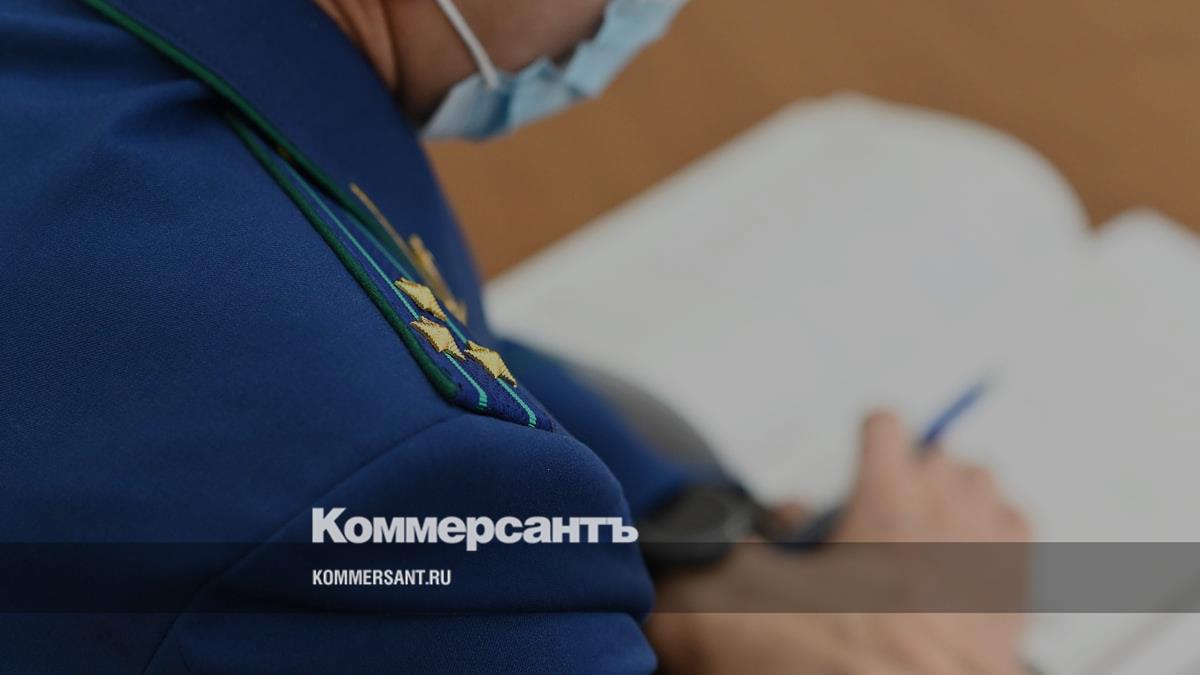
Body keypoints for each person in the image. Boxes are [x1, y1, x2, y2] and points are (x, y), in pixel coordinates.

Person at [0, 0, 1030, 672]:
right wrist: (936, 643)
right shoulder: (373, 464)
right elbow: (377, 420)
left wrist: (694, 549)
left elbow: (433, 335)